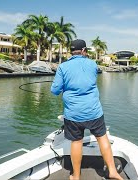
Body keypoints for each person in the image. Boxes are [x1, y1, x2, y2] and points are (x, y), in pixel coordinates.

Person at [50, 39, 123, 180]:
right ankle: (112, 171)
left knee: (76, 142)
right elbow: (87, 80)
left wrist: (64, 85)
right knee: (103, 138)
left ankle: (76, 176)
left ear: (71, 51)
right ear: (84, 50)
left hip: (73, 114)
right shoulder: (93, 64)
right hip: (94, 112)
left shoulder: (63, 67)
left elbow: (54, 90)